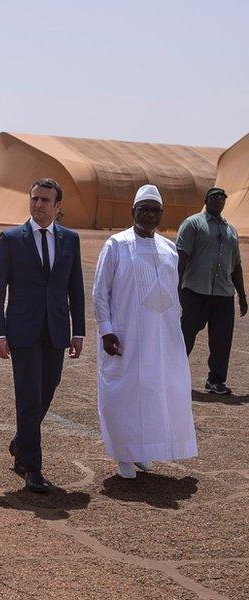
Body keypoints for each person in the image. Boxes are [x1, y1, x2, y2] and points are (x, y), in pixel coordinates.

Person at [0, 178, 85, 494]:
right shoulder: (12, 239)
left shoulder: (70, 240)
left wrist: (78, 331)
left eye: (45, 200)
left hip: (56, 330)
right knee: (28, 396)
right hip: (23, 330)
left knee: (47, 389)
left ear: (58, 206)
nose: (39, 204)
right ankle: (33, 468)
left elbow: (75, 289)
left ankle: (21, 442)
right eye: (35, 199)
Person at [94, 185, 197, 478]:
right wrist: (106, 331)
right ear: (133, 212)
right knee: (123, 394)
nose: (150, 215)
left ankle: (142, 450)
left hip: (161, 338)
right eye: (144, 209)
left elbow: (172, 295)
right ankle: (124, 454)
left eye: (155, 210)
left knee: (155, 392)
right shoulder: (116, 244)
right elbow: (101, 291)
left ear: (161, 214)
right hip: (126, 336)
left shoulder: (168, 249)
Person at [176, 187, 247, 395]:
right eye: (215, 197)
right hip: (196, 291)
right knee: (185, 335)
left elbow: (236, 265)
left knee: (222, 339)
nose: (219, 201)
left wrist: (241, 295)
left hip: (224, 294)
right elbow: (181, 258)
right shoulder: (193, 224)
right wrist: (176, 287)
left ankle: (216, 380)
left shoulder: (230, 230)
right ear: (206, 200)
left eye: (222, 198)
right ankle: (172, 375)